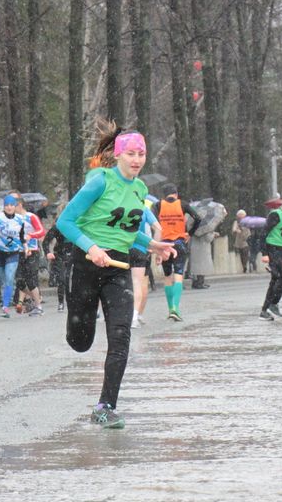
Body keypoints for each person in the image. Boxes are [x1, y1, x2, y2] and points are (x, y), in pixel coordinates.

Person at [56, 126, 175, 429]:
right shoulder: (99, 181)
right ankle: (78, 320)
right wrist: (92, 248)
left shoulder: (140, 191)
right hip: (84, 263)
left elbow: (126, 227)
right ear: (118, 155)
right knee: (80, 342)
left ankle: (105, 407)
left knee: (121, 336)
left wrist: (151, 245)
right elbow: (65, 221)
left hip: (117, 268)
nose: (137, 159)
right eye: (131, 153)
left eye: (142, 154)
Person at [155, 185, 198, 322]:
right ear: (176, 194)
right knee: (178, 275)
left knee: (167, 276)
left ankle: (170, 309)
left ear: (164, 195)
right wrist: (189, 233)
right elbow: (198, 218)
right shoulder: (183, 204)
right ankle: (176, 308)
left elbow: (154, 224)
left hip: (164, 244)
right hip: (179, 243)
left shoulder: (158, 205)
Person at [0, 195, 29, 318]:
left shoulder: (20, 219)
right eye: (7, 205)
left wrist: (25, 247)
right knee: (1, 281)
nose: (9, 207)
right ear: (4, 206)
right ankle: (6, 297)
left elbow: (21, 236)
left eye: (11, 205)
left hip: (13, 252)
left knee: (9, 278)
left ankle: (5, 306)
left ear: (15, 206)